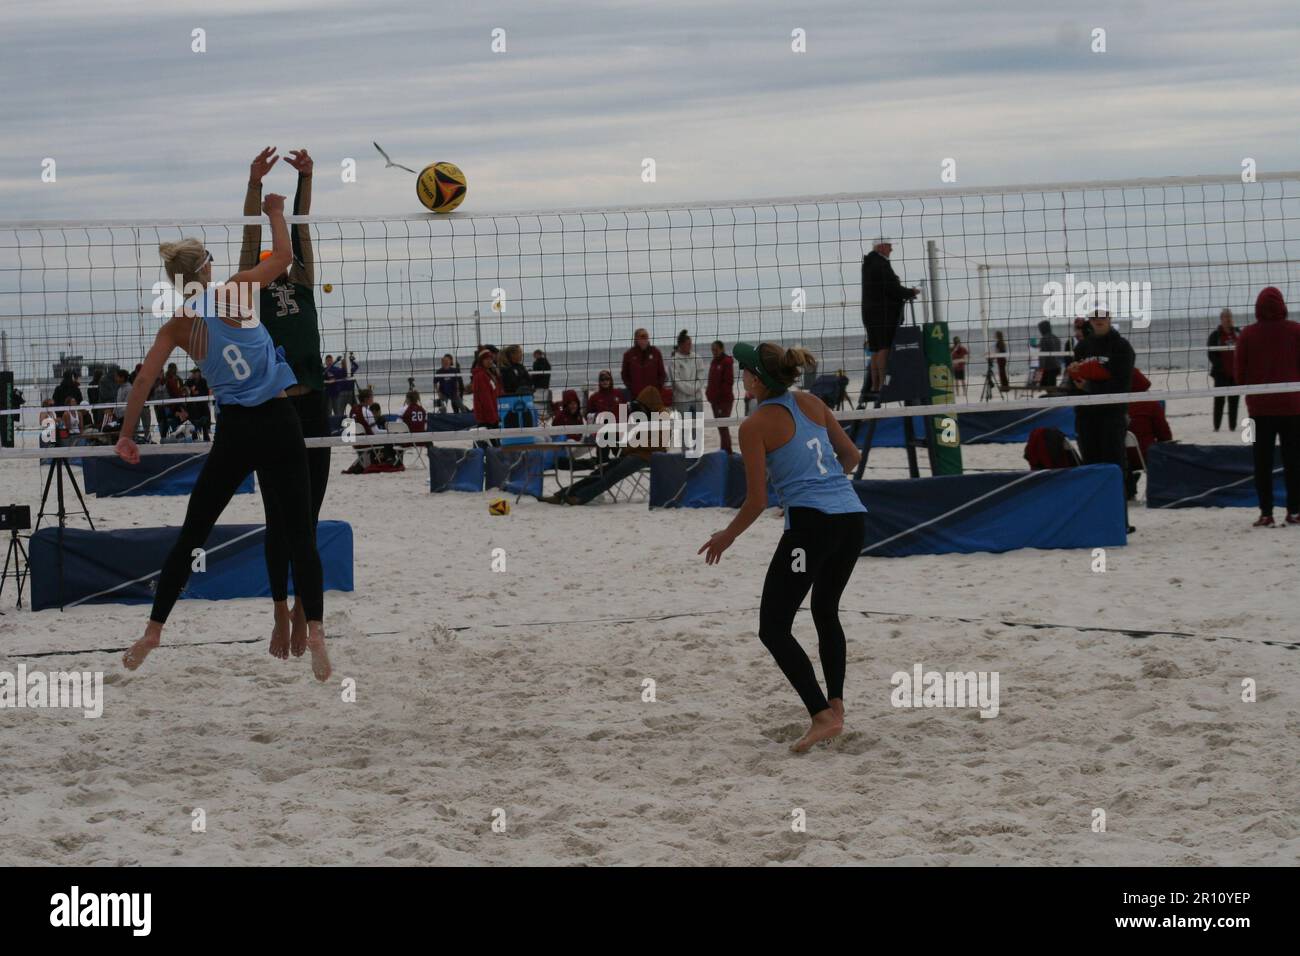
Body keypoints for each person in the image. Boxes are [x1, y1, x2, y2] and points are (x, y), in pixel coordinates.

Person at [114, 193, 330, 681]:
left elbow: (144, 382)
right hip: (278, 421)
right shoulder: (236, 291)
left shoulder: (176, 325)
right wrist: (276, 214)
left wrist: (127, 436)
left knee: (193, 535)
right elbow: (284, 259)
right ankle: (315, 630)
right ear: (207, 267)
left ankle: (153, 631)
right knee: (300, 532)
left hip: (234, 431)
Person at [698, 342, 867, 754]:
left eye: (744, 371)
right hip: (853, 518)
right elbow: (851, 456)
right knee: (825, 610)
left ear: (757, 379)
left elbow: (756, 501)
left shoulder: (754, 426)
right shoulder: (811, 401)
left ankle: (823, 716)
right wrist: (813, 488)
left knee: (773, 627)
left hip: (813, 527)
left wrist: (727, 535)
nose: (741, 377)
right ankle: (836, 705)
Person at [240, 146, 331, 658]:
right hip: (273, 410)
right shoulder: (248, 288)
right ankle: (279, 614)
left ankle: (302, 612)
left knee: (308, 520)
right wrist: (254, 185)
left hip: (314, 406)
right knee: (278, 518)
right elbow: (254, 233)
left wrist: (306, 179)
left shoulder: (302, 280)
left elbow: (301, 228)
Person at [1234, 287, 1300, 527]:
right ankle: (1294, 512)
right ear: (1282, 305)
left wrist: (1252, 391)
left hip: (1259, 409)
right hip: (1293, 406)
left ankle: (1266, 513)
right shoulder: (1295, 330)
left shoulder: (1248, 334)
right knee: (1294, 461)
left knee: (1261, 462)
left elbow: (1239, 372)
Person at [1066, 309, 1136, 532]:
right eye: (1094, 317)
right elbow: (1072, 384)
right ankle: (1096, 520)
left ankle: (1120, 523)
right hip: (1086, 416)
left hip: (1112, 415)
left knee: (1114, 469)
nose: (1098, 320)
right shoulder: (1082, 348)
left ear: (1109, 319)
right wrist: (1075, 379)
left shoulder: (1121, 347)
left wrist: (1089, 386)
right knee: (1092, 469)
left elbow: (1121, 385)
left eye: (1102, 317)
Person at [542, 386, 668, 504]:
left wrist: (632, 447)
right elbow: (637, 438)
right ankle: (563, 494)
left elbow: (658, 444)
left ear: (649, 403)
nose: (640, 408)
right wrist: (629, 447)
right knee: (600, 471)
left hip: (650, 457)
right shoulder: (647, 414)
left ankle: (581, 497)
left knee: (612, 474)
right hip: (636, 454)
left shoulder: (663, 416)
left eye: (642, 405)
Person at [860, 239, 919, 395]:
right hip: (882, 313)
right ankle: (881, 386)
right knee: (884, 348)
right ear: (881, 247)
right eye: (889, 246)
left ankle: (875, 386)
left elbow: (886, 286)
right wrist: (910, 292)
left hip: (869, 312)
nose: (891, 249)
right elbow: (892, 288)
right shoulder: (880, 264)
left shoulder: (868, 263)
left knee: (875, 349)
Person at [1125, 368, 1172, 499]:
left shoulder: (1112, 402)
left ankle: (1129, 488)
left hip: (1120, 457)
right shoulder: (1151, 404)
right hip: (1146, 456)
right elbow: (1165, 435)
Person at [1207, 308, 1240, 432]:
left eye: (1230, 317)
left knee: (1234, 402)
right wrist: (1220, 367)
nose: (1228, 319)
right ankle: (1217, 427)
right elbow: (1211, 354)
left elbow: (1243, 349)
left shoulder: (1237, 333)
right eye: (1226, 317)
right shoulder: (1215, 335)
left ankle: (1232, 426)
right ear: (1221, 319)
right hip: (1221, 375)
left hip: (1235, 374)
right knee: (1219, 402)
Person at [707, 341, 736, 454]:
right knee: (720, 427)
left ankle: (727, 451)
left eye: (715, 349)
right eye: (712, 350)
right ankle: (725, 450)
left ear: (722, 349)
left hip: (724, 400)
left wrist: (718, 396)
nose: (714, 352)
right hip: (714, 400)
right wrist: (708, 394)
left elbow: (728, 382)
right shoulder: (714, 362)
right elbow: (711, 380)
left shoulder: (727, 362)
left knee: (723, 426)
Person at [621, 328, 667, 400]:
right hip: (636, 396)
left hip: (653, 395)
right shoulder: (628, 354)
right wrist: (632, 388)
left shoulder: (655, 352)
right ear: (636, 338)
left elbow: (662, 373)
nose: (644, 339)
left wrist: (657, 388)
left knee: (654, 411)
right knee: (637, 411)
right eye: (642, 336)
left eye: (646, 336)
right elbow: (624, 375)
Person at [670, 329, 707, 417]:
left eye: (690, 344)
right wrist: (691, 389)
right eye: (688, 344)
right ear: (681, 345)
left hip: (696, 399)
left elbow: (701, 377)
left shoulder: (697, 358)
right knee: (684, 428)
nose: (690, 346)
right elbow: (677, 381)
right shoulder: (674, 360)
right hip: (682, 400)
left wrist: (694, 388)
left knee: (697, 428)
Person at [471, 347, 502, 444]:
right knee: (492, 445)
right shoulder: (480, 375)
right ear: (481, 361)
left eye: (491, 359)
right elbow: (485, 398)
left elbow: (496, 391)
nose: (489, 361)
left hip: (493, 413)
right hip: (487, 416)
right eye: (486, 359)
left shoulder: (488, 373)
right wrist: (493, 416)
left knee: (494, 443)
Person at [1037, 320, 1062, 390]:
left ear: (1043, 329)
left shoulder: (1044, 339)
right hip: (1056, 366)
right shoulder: (1056, 338)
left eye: (1040, 329)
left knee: (1048, 387)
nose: (1040, 331)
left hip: (1048, 367)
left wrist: (1041, 368)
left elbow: (1043, 355)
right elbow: (1058, 354)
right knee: (1052, 386)